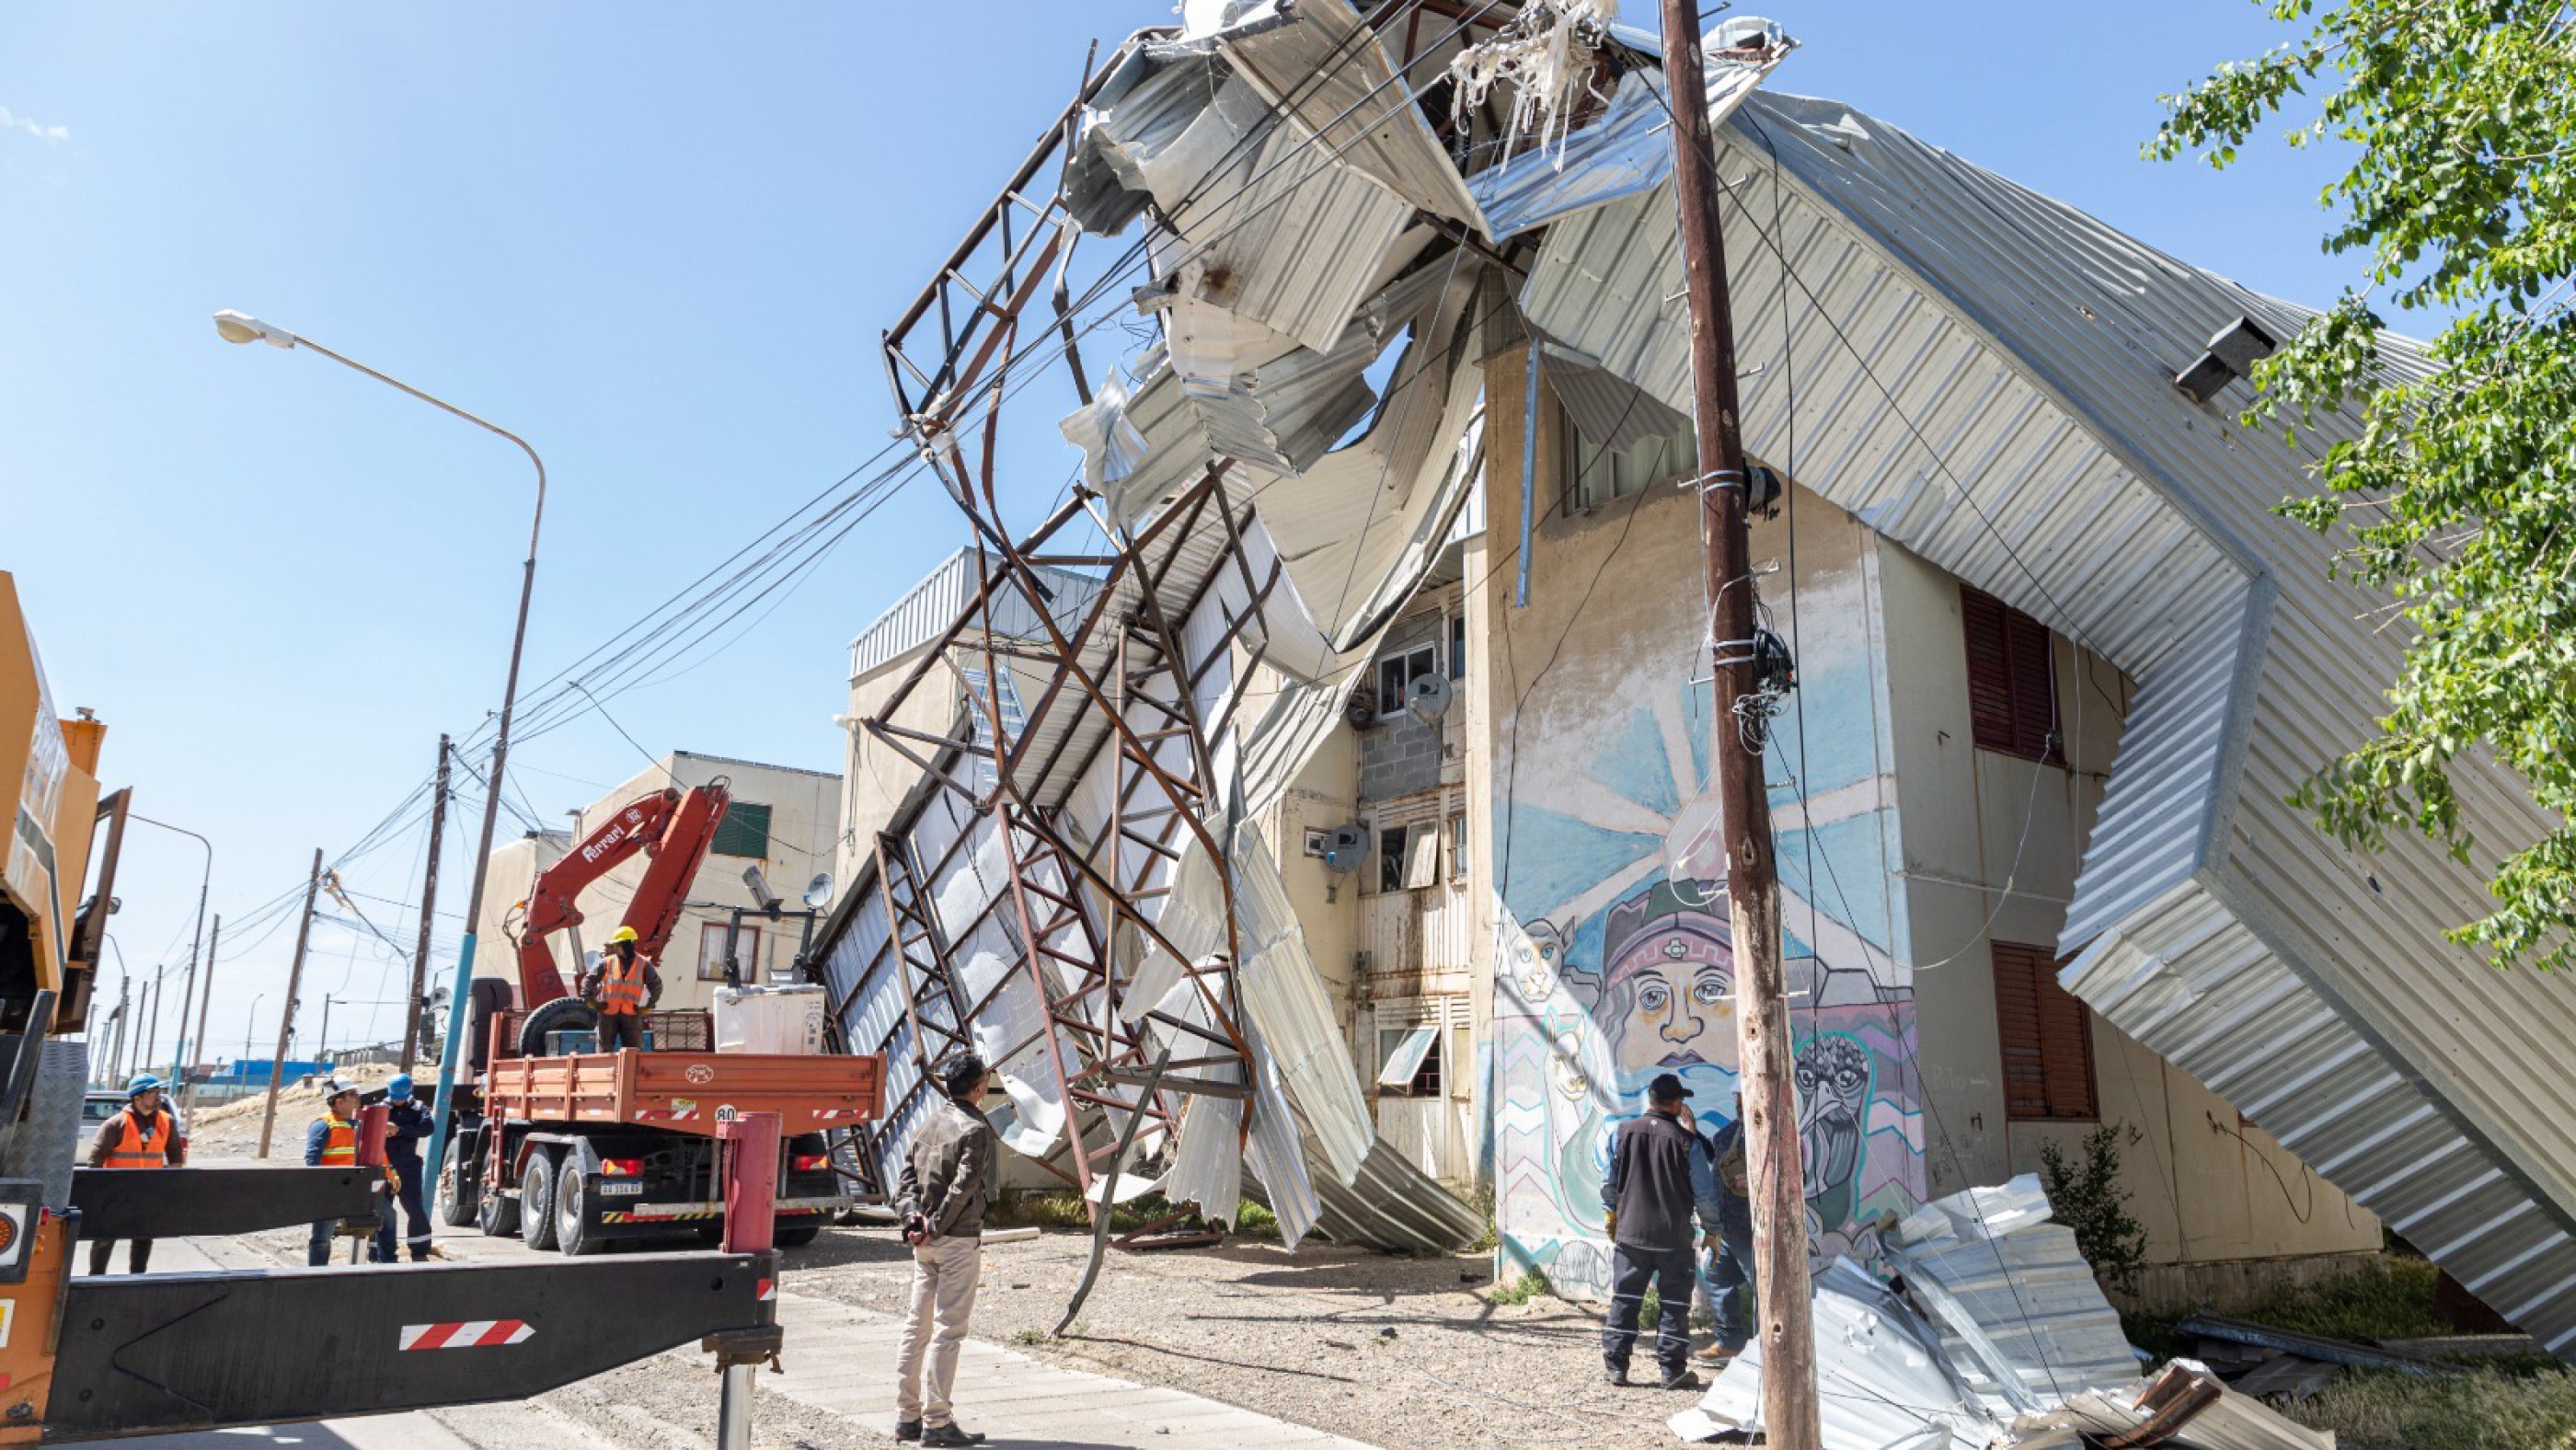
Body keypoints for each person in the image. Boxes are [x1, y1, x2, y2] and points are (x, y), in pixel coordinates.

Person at [891, 1053, 998, 1448]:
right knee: (948, 1331)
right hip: (957, 1240)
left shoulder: (928, 1124)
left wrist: (913, 1221)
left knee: (916, 1327)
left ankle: (907, 1417)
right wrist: (935, 1225)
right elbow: (964, 1186)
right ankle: (937, 1422)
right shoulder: (976, 1128)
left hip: (925, 1245)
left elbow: (905, 1182)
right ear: (978, 1087)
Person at [1600, 1071, 1728, 1391]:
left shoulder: (1622, 1133)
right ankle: (1672, 1372)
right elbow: (1704, 1195)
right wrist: (1712, 1231)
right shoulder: (1688, 1143)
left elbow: (1608, 1182)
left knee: (1626, 1299)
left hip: (1631, 1234)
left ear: (1652, 1101)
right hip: (1674, 1238)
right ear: (1677, 1104)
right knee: (1674, 1304)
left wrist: (1611, 1213)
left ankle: (1616, 1367)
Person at [85, 1073, 186, 1273]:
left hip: (149, 1191)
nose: (158, 1096)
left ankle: (137, 1277)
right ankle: (96, 1278)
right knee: (105, 1237)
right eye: (152, 1092)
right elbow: (96, 1158)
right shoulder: (116, 1124)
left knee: (144, 1237)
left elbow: (175, 1153)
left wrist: (172, 1181)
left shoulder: (166, 1121)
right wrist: (98, 1190)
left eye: (158, 1091)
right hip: (117, 1192)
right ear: (137, 1097)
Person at [1689, 1089, 1757, 1364]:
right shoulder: (1730, 1133)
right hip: (1727, 1228)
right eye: (1737, 1100)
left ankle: (1768, 1346)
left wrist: (1754, 1182)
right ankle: (1730, 1343)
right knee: (1716, 1276)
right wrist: (1693, 1133)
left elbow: (1796, 1176)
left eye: (1744, 1100)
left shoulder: (1774, 1135)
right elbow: (1714, 1155)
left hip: (1754, 1231)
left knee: (1765, 1289)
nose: (1739, 1105)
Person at [369, 1073, 435, 1263]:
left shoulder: (418, 1107)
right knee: (380, 1209)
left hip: (408, 1167)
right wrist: (383, 1128)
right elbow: (369, 1129)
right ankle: (376, 1251)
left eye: (401, 1098)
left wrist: (399, 1130)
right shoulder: (380, 1108)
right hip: (383, 1167)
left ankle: (419, 1250)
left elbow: (427, 1128)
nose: (398, 1102)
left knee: (415, 1208)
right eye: (395, 1098)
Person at [305, 1077, 366, 1267]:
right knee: (322, 1237)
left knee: (383, 1221)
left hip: (355, 1187)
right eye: (353, 1094)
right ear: (339, 1102)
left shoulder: (357, 1124)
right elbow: (312, 1159)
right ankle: (317, 1274)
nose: (358, 1097)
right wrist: (320, 1188)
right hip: (331, 1189)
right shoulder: (323, 1125)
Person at [581, 926, 661, 1053]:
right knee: (604, 1052)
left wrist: (648, 1006)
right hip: (607, 1013)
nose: (615, 948)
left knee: (633, 1052)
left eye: (618, 945)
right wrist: (592, 1001)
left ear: (628, 945)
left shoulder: (644, 964)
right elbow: (588, 981)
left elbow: (656, 986)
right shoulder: (607, 962)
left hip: (631, 1014)